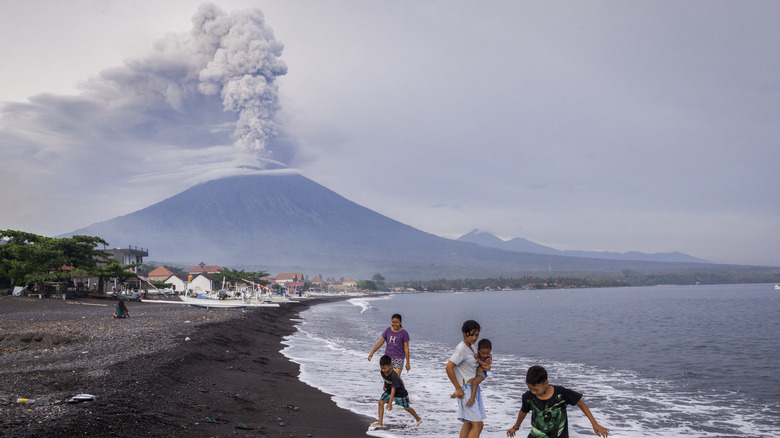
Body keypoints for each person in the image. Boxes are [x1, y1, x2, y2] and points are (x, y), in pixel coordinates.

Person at [507, 365, 610, 438]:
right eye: (530, 389)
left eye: (536, 389)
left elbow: (581, 404)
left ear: (546, 383)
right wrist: (515, 427)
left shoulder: (561, 393)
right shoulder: (528, 397)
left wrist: (594, 424)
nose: (533, 392)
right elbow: (523, 412)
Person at [446, 319, 486, 438]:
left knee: (469, 424)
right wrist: (458, 388)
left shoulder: (473, 348)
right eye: (472, 334)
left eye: (477, 335)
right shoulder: (461, 349)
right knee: (478, 425)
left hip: (473, 389)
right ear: (464, 333)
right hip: (466, 390)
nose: (474, 337)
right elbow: (449, 367)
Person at [371, 354, 423, 428]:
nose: (383, 370)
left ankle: (418, 419)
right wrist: (384, 385)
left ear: (390, 366)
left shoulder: (394, 376)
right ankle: (380, 423)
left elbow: (393, 389)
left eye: (384, 368)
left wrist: (390, 402)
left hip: (400, 393)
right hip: (389, 390)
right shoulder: (382, 372)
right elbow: (385, 379)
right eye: (381, 368)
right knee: (380, 402)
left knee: (407, 408)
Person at [466, 338, 492, 407]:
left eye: (487, 353)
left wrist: (477, 358)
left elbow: (485, 365)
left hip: (482, 374)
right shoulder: (476, 352)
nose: (485, 355)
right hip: (476, 372)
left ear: (490, 351)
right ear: (478, 350)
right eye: (483, 353)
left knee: (474, 382)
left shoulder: (489, 358)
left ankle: (472, 399)